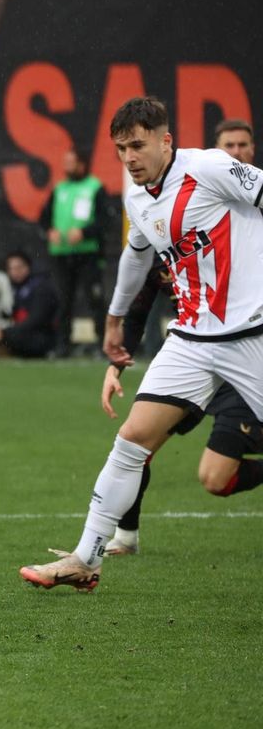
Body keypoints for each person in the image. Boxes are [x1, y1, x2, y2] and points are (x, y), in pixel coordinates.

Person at [21, 96, 263, 591]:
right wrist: (113, 318)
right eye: (120, 149)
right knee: (131, 441)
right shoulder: (136, 197)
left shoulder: (212, 167)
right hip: (193, 338)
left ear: (165, 140)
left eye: (137, 145)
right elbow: (136, 258)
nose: (129, 157)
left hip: (253, 334)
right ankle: (86, 558)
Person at [94, 118, 263, 557]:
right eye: (229, 145)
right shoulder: (161, 206)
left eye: (244, 146)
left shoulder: (228, 193)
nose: (237, 154)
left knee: (213, 476)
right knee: (137, 440)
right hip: (197, 345)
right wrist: (117, 350)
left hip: (249, 342)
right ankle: (113, 542)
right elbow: (142, 283)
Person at [39, 149, 112, 356]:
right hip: (62, 253)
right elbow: (44, 217)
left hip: (87, 254)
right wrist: (49, 231)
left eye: (71, 162)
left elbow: (104, 221)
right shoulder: (59, 189)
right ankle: (63, 345)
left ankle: (103, 344)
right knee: (64, 300)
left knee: (94, 299)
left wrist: (84, 232)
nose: (67, 166)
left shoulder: (94, 188)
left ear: (82, 164)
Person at [0, 251, 59, 358]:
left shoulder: (40, 287)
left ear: (28, 267)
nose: (16, 272)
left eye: (19, 267)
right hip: (18, 330)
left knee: (15, 337)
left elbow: (37, 319)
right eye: (12, 268)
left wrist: (6, 333)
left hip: (40, 335)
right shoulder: (9, 288)